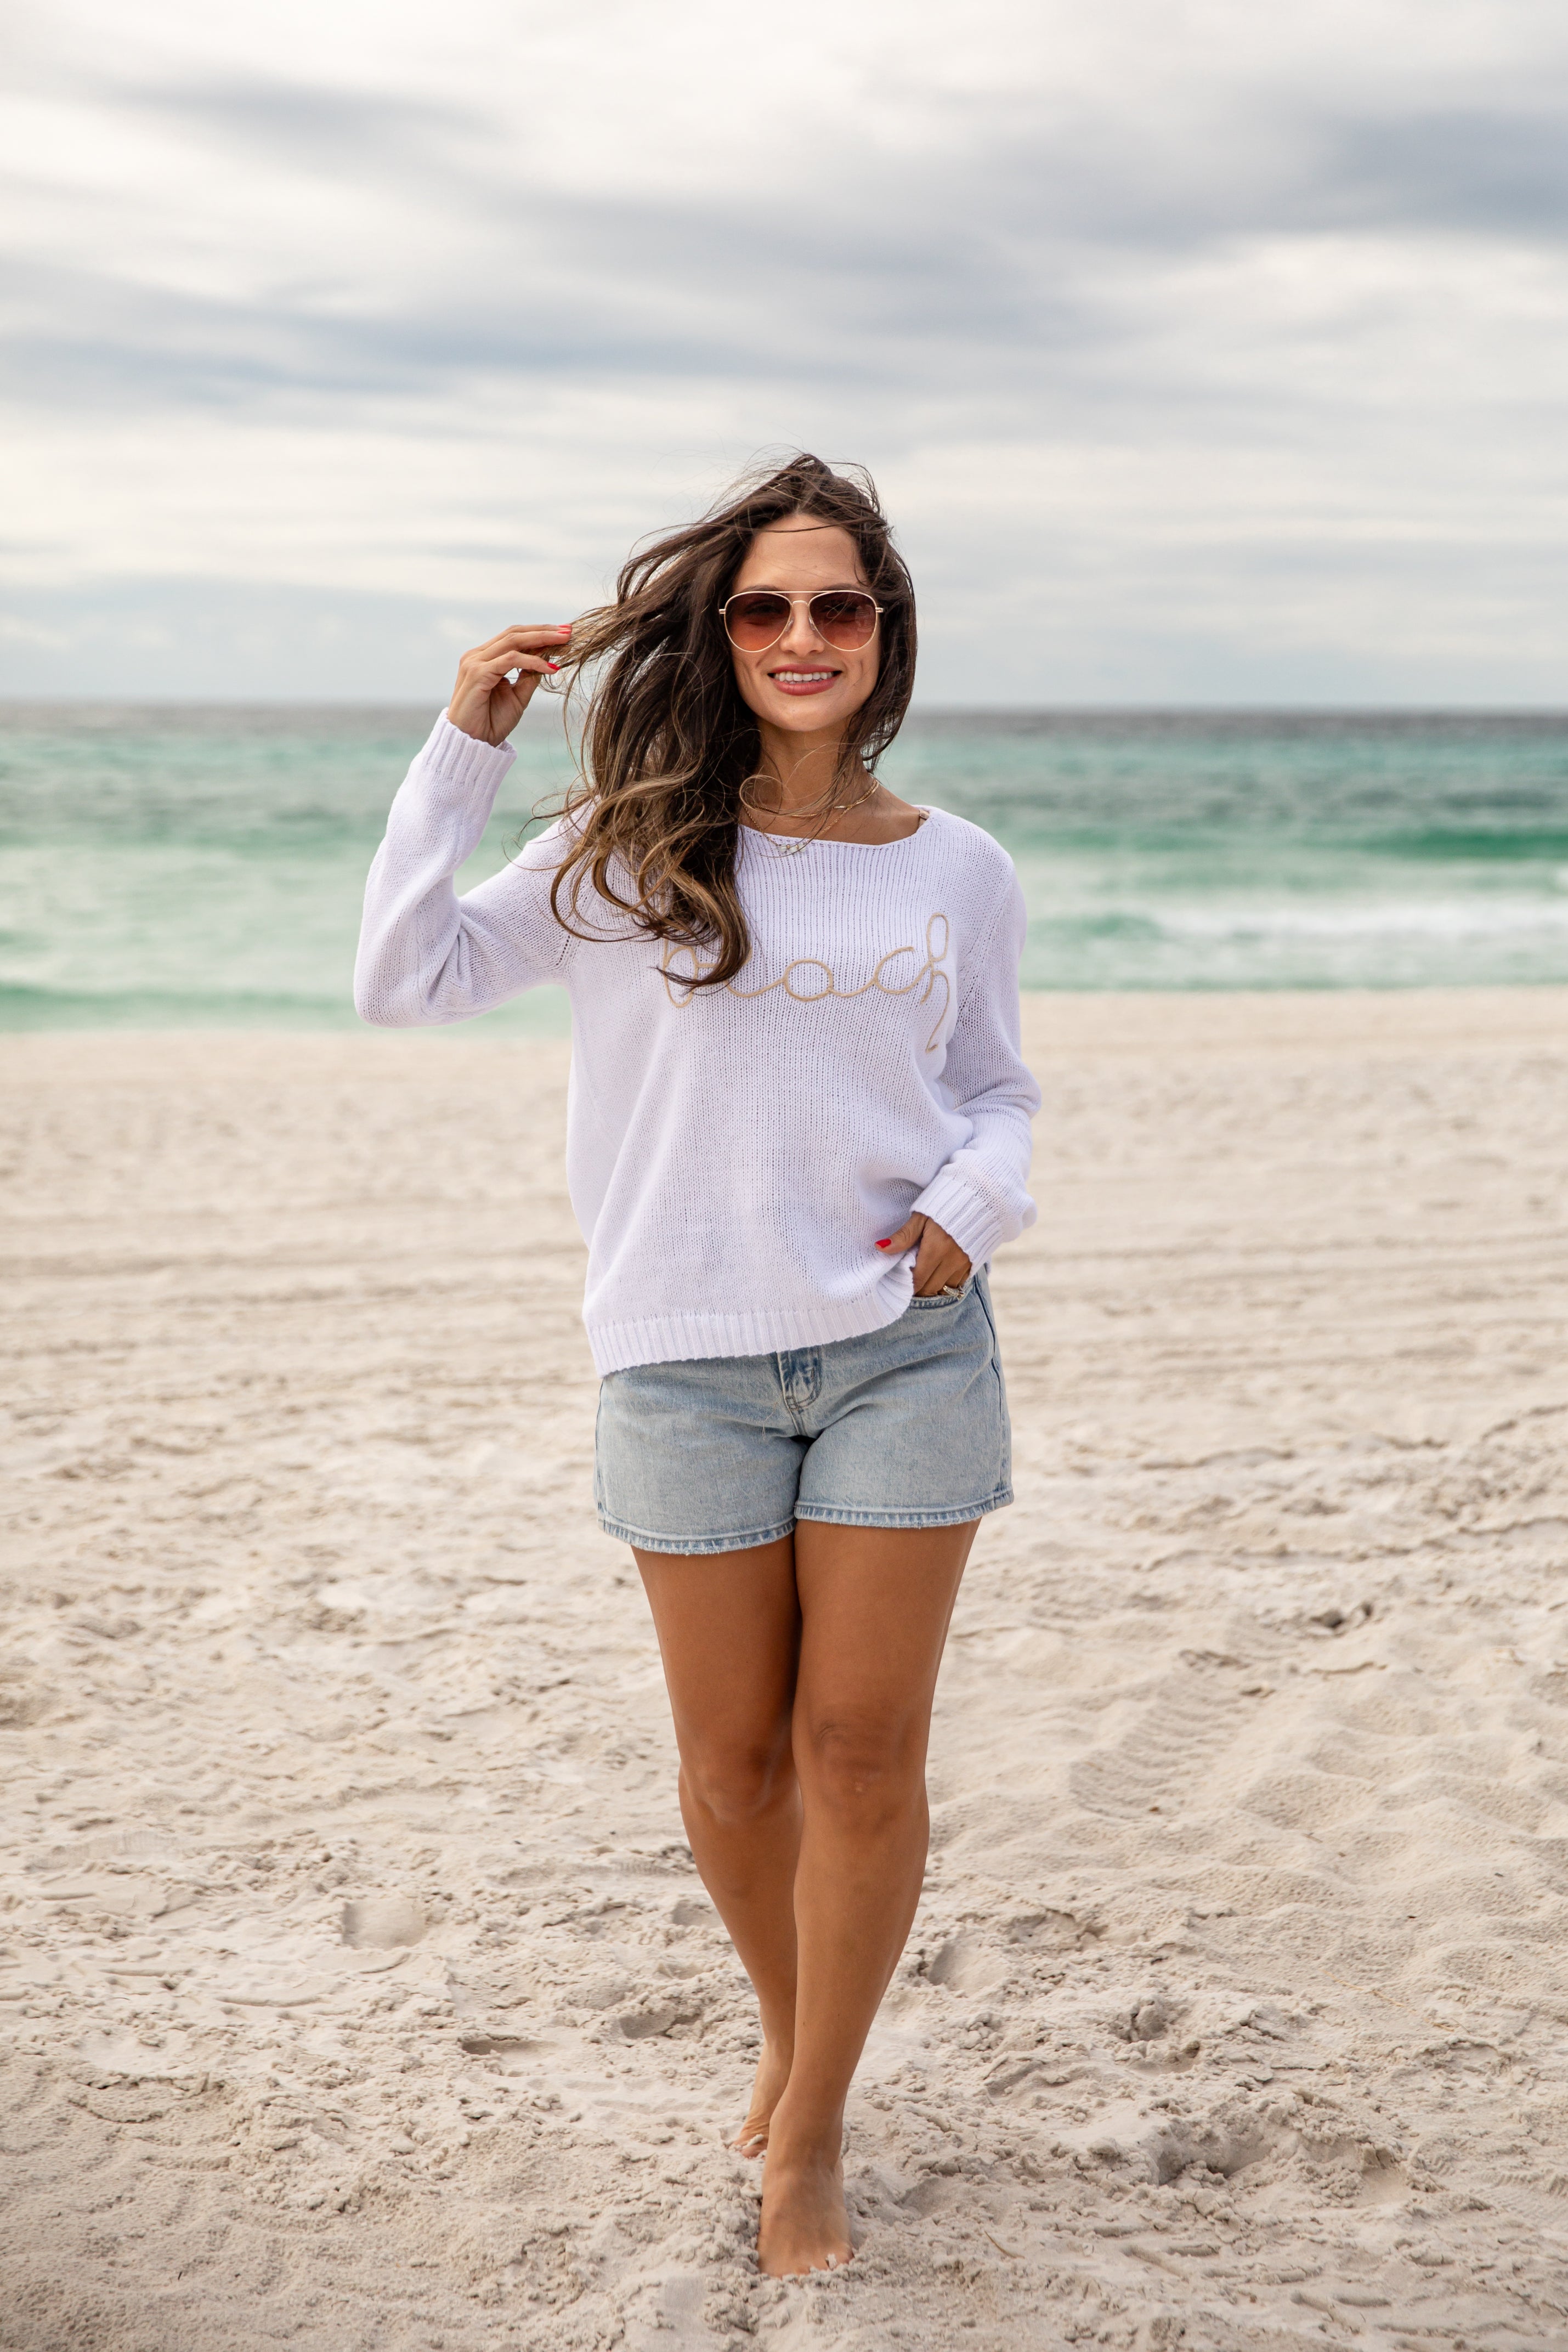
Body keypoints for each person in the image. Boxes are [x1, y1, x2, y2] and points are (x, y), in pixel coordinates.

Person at [354, 453, 1039, 2277]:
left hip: (903, 1350)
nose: (803, 634)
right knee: (734, 1771)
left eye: (837, 604)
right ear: (719, 634)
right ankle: (793, 2033)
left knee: (860, 1753)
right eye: (763, 607)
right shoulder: (624, 849)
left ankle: (809, 2132)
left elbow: (996, 1088)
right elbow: (404, 981)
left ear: (882, 632)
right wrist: (464, 750)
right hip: (681, 1364)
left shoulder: (959, 867)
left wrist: (978, 1200)